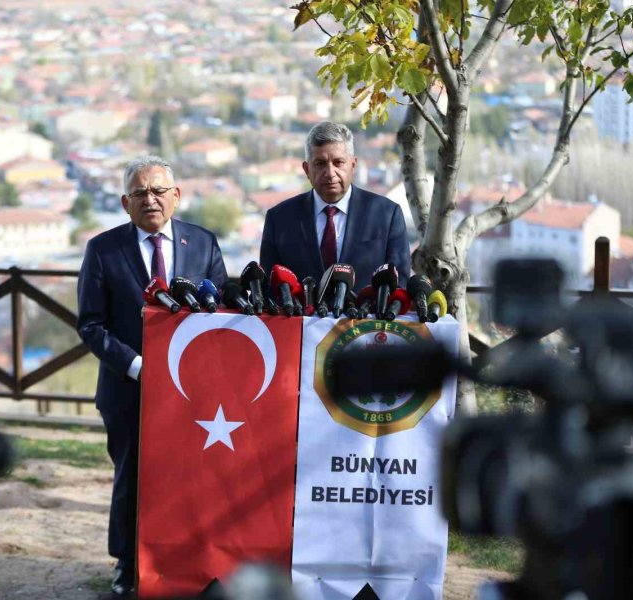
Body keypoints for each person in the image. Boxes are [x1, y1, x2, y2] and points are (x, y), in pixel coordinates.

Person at [76, 156, 228, 597]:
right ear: (126, 203)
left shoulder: (203, 243)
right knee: (133, 477)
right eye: (140, 193)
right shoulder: (102, 250)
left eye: (160, 190)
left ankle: (193, 561)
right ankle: (126, 565)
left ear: (176, 196)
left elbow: (221, 315)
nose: (151, 200)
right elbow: (90, 325)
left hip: (192, 393)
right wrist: (141, 366)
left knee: (194, 477)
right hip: (128, 388)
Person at [260, 121, 410, 289]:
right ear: (306, 169)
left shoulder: (387, 215)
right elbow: (268, 289)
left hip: (365, 315)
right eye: (320, 164)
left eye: (338, 162)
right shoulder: (280, 219)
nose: (330, 173)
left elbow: (399, 287)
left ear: (353, 165)